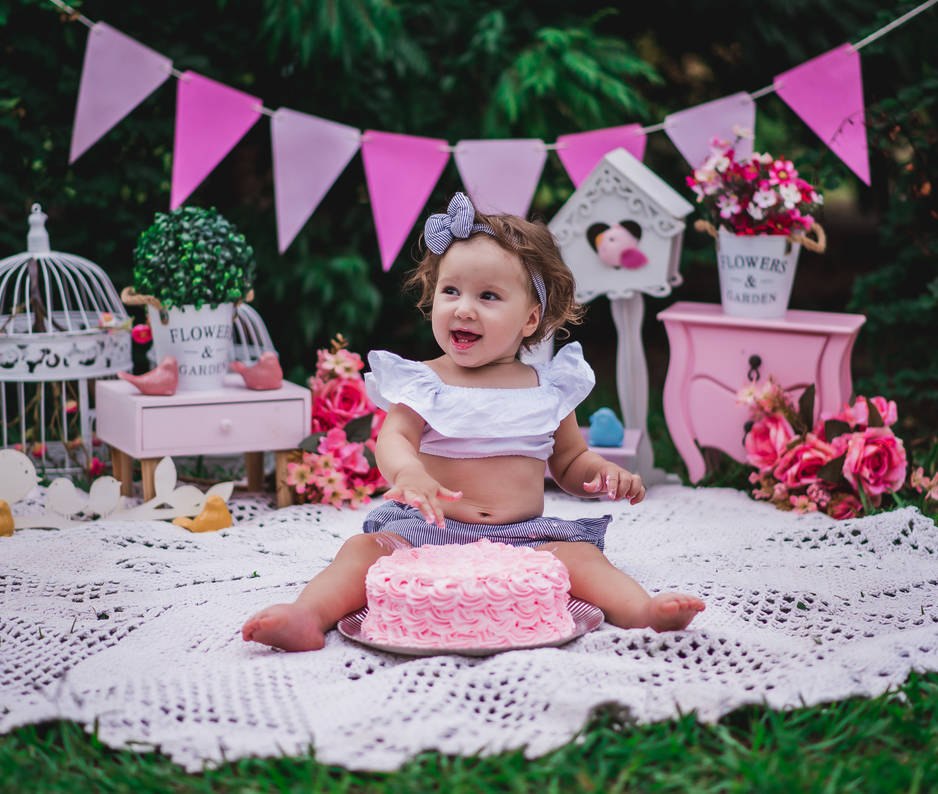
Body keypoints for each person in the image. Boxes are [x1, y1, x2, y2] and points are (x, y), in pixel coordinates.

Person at [243, 193, 704, 651]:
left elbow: (569, 459)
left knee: (580, 559)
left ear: (530, 319)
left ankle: (643, 611)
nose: (463, 309)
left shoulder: (548, 386)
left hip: (523, 538)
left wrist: (602, 474)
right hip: (428, 530)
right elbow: (394, 437)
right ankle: (307, 615)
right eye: (451, 291)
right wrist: (408, 472)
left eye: (487, 296)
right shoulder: (425, 381)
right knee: (362, 553)